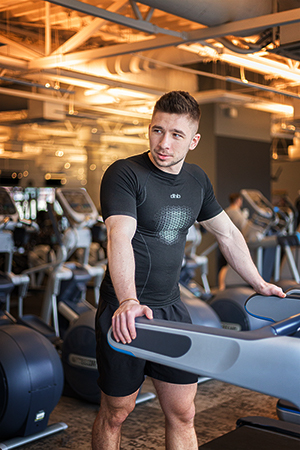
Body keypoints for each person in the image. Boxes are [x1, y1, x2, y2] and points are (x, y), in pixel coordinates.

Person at [92, 90, 285, 450]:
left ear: (194, 140)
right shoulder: (125, 173)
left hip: (171, 308)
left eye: (176, 134)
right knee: (117, 411)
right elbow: (119, 235)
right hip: (125, 309)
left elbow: (227, 234)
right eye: (157, 130)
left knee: (183, 413)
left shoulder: (197, 180)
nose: (164, 143)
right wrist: (128, 300)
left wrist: (260, 283)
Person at [218, 192, 249, 289]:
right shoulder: (236, 212)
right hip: (232, 242)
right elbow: (244, 226)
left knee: (224, 265)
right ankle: (223, 287)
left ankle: (221, 287)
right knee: (228, 265)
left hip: (223, 241)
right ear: (238, 200)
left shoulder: (226, 211)